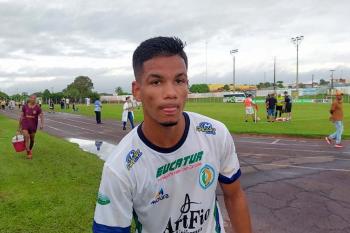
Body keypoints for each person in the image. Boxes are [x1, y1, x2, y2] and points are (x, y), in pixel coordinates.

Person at [93, 37, 252, 233]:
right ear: (137, 90)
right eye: (156, 81)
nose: (171, 93)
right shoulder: (119, 167)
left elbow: (234, 195)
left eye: (179, 80)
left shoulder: (215, 133)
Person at [18, 95, 44, 159]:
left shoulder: (38, 108)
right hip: (25, 125)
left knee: (32, 139)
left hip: (33, 126)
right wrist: (19, 127)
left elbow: (41, 116)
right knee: (27, 137)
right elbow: (21, 117)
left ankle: (29, 149)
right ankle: (28, 153)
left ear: (36, 99)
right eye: (32, 98)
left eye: (34, 98)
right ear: (29, 99)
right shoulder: (25, 106)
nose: (33, 99)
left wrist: (42, 124)